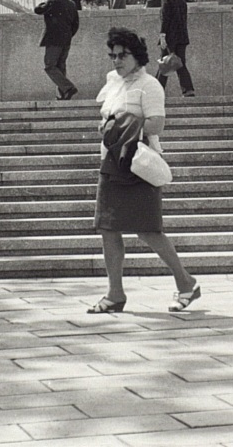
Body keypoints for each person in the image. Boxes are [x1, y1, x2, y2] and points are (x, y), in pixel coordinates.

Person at [88, 27, 201, 315]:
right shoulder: (114, 83)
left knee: (148, 230)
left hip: (138, 164)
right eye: (112, 55)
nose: (116, 61)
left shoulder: (149, 85)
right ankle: (115, 293)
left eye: (122, 55)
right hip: (111, 161)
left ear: (136, 55)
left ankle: (186, 281)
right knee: (108, 229)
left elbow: (156, 124)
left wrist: (121, 123)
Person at [34, 0, 80, 100]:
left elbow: (37, 10)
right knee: (60, 66)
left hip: (54, 39)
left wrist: (45, 1)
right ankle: (63, 94)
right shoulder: (72, 4)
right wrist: (69, 35)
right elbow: (76, 24)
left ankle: (68, 88)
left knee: (49, 65)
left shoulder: (51, 2)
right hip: (66, 39)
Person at [158, 0, 196, 97]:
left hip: (170, 37)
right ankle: (188, 89)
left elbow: (165, 20)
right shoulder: (182, 1)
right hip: (182, 37)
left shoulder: (166, 0)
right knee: (180, 63)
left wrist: (162, 37)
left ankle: (157, 90)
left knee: (164, 63)